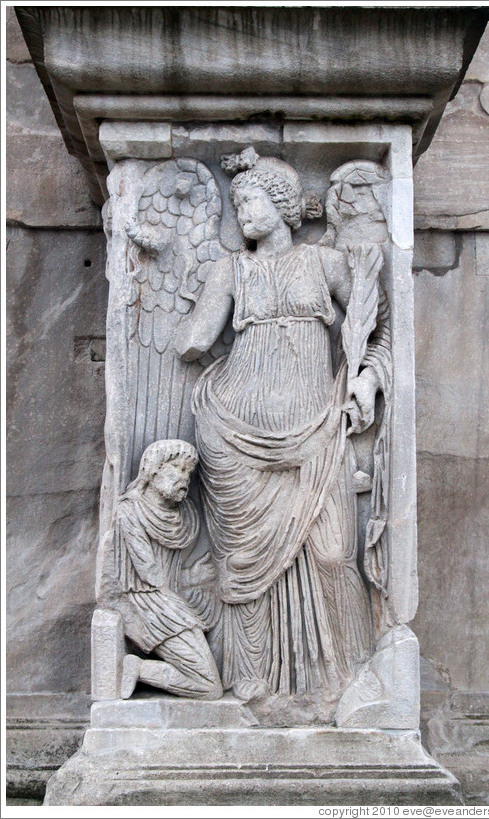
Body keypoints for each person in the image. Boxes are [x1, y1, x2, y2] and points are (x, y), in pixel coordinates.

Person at [174, 150, 381, 707]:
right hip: (235, 426)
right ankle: (253, 678)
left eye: (253, 199)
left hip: (316, 424)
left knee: (335, 553)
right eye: (237, 202)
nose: (243, 211)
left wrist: (368, 377)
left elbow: (375, 326)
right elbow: (192, 341)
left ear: (284, 205)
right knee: (241, 563)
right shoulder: (230, 269)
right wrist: (159, 274)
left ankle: (353, 672)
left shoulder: (323, 261)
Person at [99, 438, 223, 700]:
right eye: (176, 468)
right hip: (148, 603)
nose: (184, 478)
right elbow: (151, 574)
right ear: (152, 470)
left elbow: (190, 565)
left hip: (177, 598)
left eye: (187, 472)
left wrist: (197, 578)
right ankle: (140, 668)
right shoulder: (130, 512)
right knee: (208, 686)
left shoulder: (186, 513)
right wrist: (190, 580)